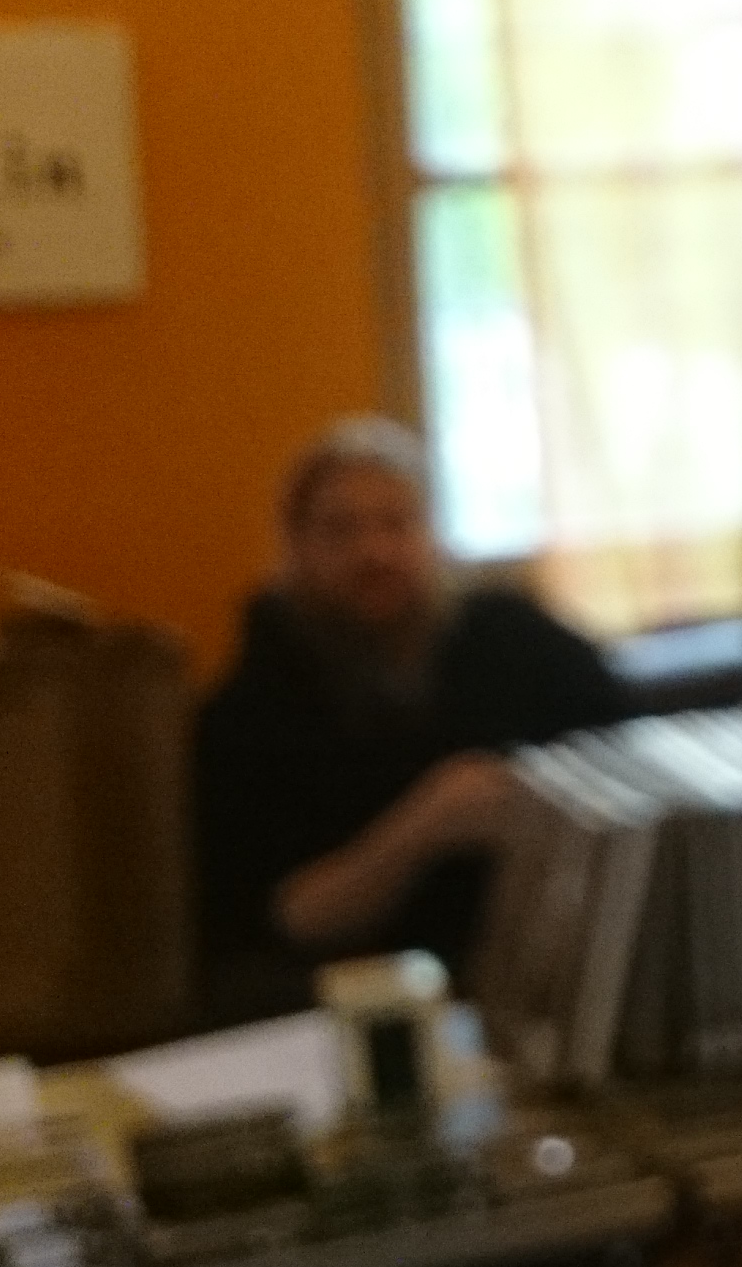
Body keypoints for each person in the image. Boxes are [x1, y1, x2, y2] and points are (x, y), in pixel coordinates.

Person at [190, 418, 633, 1020]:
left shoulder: (516, 640)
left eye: (397, 523)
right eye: (341, 530)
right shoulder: (247, 716)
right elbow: (284, 920)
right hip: (362, 1005)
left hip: (551, 979)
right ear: (295, 547)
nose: (374, 553)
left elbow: (630, 759)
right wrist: (427, 825)